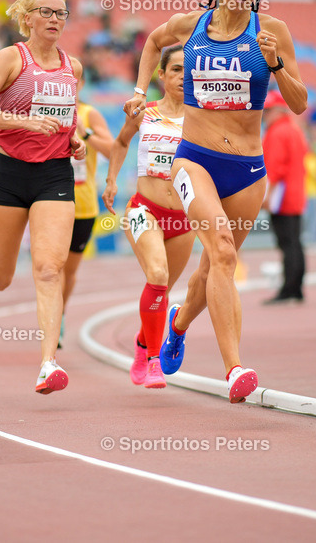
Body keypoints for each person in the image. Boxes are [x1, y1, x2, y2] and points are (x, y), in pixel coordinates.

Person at [125, 0, 308, 403]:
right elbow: (152, 41)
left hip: (247, 170)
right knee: (224, 252)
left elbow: (300, 102)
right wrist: (138, 89)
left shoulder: (272, 32)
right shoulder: (192, 26)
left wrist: (276, 64)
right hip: (193, 160)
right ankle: (235, 369)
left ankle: (178, 325)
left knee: (209, 271)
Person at [0, 0, 87, 395]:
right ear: (28, 17)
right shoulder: (10, 58)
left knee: (49, 267)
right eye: (47, 12)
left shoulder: (73, 66)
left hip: (54, 173)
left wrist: (78, 143)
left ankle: (47, 363)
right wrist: (23, 121)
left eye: (62, 13)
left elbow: (69, 122)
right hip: (7, 171)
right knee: (1, 277)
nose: (56, 19)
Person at [103, 45, 195, 390]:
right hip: (144, 209)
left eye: (189, 71)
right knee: (157, 275)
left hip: (184, 218)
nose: (183, 77)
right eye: (175, 70)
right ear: (162, 75)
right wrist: (111, 180)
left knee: (162, 291)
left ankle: (143, 345)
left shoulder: (202, 120)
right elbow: (121, 142)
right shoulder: (144, 112)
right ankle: (154, 361)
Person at [58, 99, 114, 348]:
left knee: (68, 271)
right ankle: (51, 317)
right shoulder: (43, 109)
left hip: (83, 206)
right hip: (49, 203)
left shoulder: (90, 114)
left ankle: (59, 311)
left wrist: (85, 133)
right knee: (50, 268)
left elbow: (113, 151)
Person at [261, 91, 307, 305]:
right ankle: (296, 288)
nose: (264, 116)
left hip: (282, 196)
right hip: (296, 194)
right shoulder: (294, 130)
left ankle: (288, 289)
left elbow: (274, 168)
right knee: (295, 242)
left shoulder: (276, 133)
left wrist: (267, 196)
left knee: (287, 243)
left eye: (268, 111)